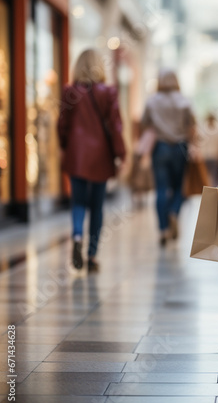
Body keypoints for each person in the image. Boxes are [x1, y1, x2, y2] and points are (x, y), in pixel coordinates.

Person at [58, 49, 126, 272]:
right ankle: (92, 255)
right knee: (96, 207)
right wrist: (121, 153)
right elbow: (116, 126)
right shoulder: (108, 92)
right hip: (101, 157)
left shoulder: (69, 91)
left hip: (76, 154)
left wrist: (64, 147)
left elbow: (62, 125)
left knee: (78, 201)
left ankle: (77, 235)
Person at [142, 69, 195, 246]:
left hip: (160, 146)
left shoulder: (152, 101)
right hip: (181, 147)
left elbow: (144, 123)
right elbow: (192, 125)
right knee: (179, 187)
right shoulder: (184, 100)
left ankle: (163, 229)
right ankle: (174, 211)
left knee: (161, 189)